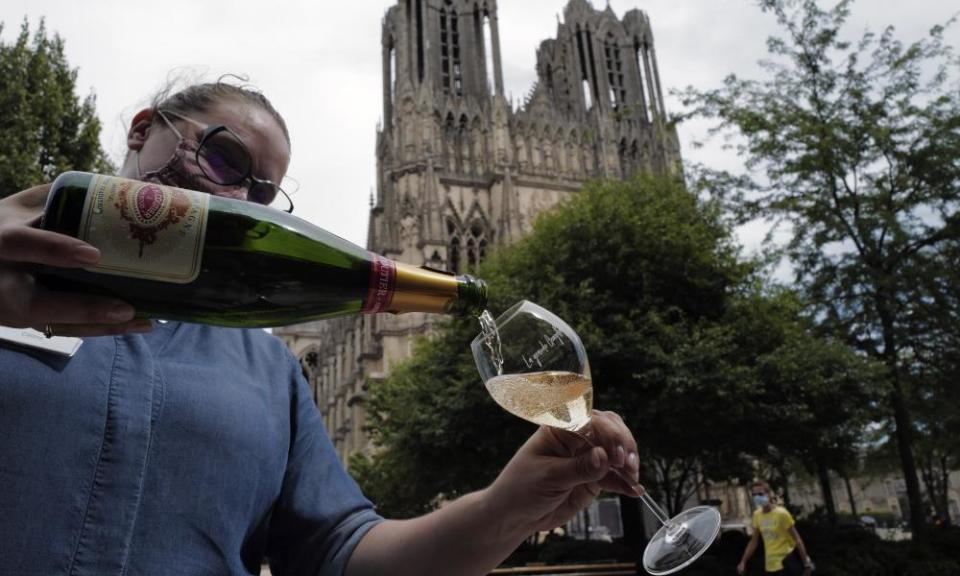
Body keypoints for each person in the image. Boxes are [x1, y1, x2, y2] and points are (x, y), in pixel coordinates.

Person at [0, 80, 642, 576]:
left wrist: (508, 506)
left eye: (262, 195)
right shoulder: (10, 271)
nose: (238, 202)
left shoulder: (266, 370)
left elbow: (339, 552)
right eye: (221, 157)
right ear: (144, 131)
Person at [737, 481, 814, 576]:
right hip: (770, 565)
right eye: (754, 495)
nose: (757, 497)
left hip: (786, 563)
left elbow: (797, 539)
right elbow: (754, 541)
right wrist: (743, 561)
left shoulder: (781, 514)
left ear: (768, 494)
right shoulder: (757, 515)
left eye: (760, 494)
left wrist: (806, 563)